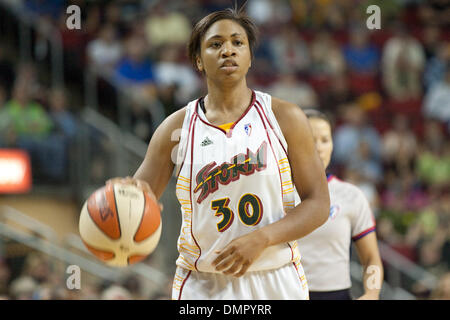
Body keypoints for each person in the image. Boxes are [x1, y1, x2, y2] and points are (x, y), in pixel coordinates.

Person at [107, 7, 330, 300]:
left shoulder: (285, 117)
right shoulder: (174, 129)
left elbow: (319, 203)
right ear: (198, 60)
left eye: (238, 43)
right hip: (203, 283)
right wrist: (126, 198)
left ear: (250, 57)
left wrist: (263, 238)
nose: (228, 50)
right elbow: (138, 202)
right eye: (215, 44)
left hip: (275, 278)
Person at [295, 108, 384, 300]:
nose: (319, 147)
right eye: (311, 139)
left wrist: (372, 293)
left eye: (325, 140)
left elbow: (371, 259)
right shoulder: (275, 194)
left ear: (333, 145)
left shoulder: (352, 196)